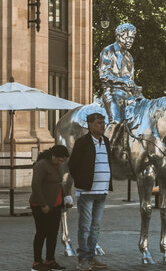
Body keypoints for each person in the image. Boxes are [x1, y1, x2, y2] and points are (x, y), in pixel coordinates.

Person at [69, 110, 114, 271]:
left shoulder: (106, 141)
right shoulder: (82, 142)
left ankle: (91, 257)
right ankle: (82, 258)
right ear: (90, 125)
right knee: (85, 226)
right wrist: (81, 182)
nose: (103, 126)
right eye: (99, 123)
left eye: (103, 123)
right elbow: (72, 165)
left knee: (95, 226)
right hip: (87, 191)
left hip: (102, 191)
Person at [31, 142, 73, 271]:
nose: (62, 162)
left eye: (64, 160)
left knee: (53, 234)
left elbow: (59, 183)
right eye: (60, 159)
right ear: (53, 156)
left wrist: (66, 197)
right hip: (41, 205)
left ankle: (50, 260)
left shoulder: (57, 166)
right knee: (42, 232)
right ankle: (37, 262)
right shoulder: (42, 165)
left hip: (56, 205)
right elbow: (36, 185)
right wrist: (43, 204)